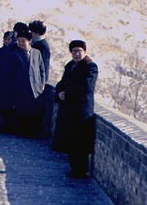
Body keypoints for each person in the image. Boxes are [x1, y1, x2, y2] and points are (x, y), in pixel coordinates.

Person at [52, 40, 98, 178]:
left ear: (85, 51)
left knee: (80, 142)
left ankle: (81, 170)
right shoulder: (70, 66)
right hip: (69, 109)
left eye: (79, 51)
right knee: (71, 142)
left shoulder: (90, 67)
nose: (76, 54)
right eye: (74, 51)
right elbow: (62, 82)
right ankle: (74, 169)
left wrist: (68, 94)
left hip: (81, 110)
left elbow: (86, 87)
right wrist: (59, 92)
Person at [12, 29, 46, 137]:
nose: (21, 43)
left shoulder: (36, 53)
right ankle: (23, 132)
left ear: (29, 41)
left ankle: (34, 132)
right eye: (19, 41)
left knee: (34, 110)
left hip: (35, 86)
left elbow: (41, 69)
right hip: (21, 86)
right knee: (23, 110)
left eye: (23, 41)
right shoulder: (15, 54)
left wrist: (42, 84)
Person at [0, 30, 17, 132]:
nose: (6, 41)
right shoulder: (0, 52)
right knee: (0, 106)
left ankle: (8, 126)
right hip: (0, 82)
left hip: (10, 83)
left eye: (8, 39)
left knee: (9, 107)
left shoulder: (15, 53)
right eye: (5, 39)